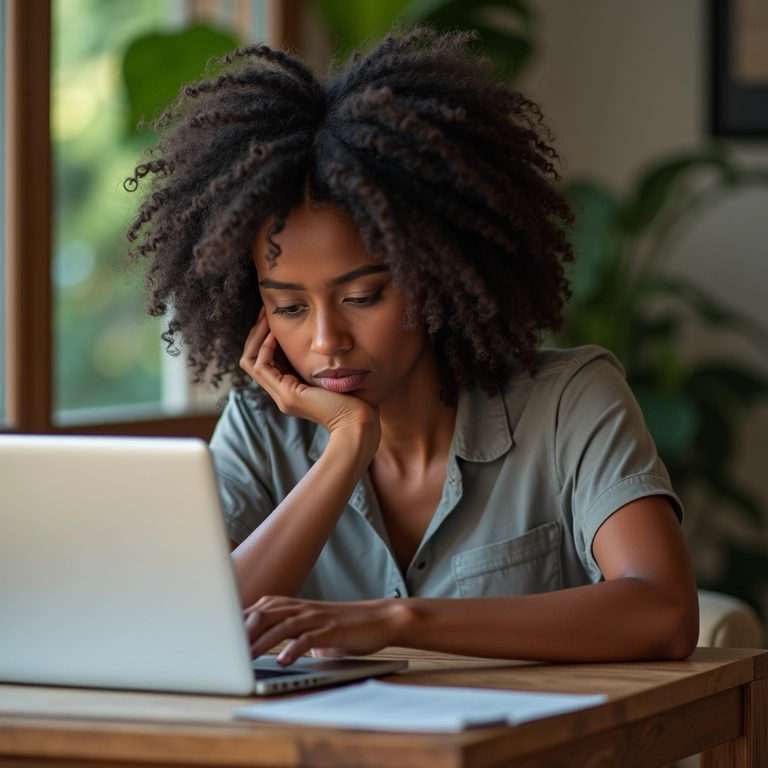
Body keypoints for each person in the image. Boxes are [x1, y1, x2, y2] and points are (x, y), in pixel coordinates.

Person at [125, 27, 699, 666]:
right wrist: (345, 448)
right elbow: (186, 629)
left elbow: (663, 612)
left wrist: (395, 619)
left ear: (434, 274)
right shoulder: (264, 428)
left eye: (363, 296)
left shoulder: (569, 402)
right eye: (289, 307)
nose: (325, 341)